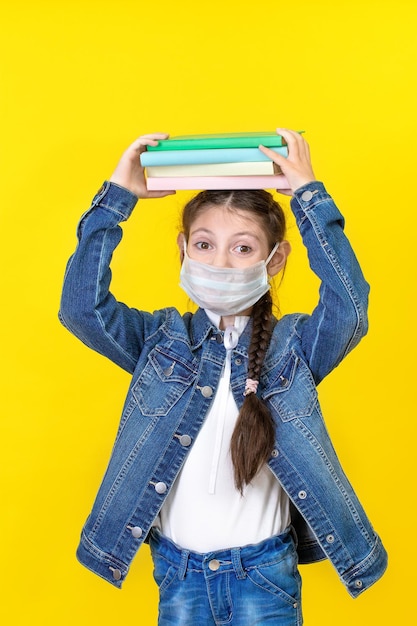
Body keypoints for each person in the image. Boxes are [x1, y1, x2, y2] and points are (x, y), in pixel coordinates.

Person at [59, 129, 387, 625]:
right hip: (179, 575)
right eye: (205, 244)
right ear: (184, 248)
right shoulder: (159, 341)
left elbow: (350, 309)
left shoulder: (293, 347)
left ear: (273, 259)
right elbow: (82, 308)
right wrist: (116, 199)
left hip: (265, 576)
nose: (219, 261)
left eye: (242, 248)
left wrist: (308, 196)